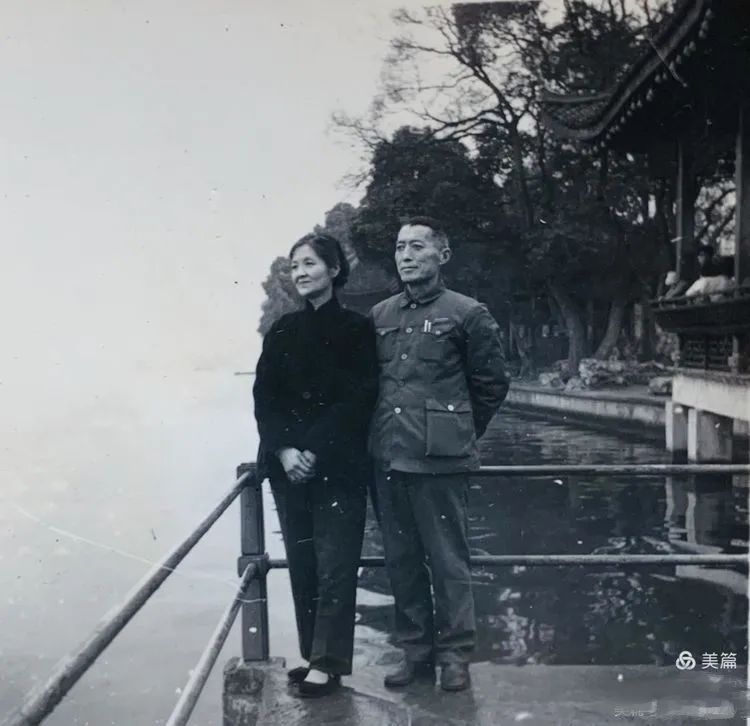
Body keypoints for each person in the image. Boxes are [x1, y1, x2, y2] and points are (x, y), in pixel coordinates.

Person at [368, 217, 509, 692]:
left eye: (417, 247)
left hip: (441, 463)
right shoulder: (380, 315)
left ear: (442, 256)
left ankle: (454, 656)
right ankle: (416, 653)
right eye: (400, 247)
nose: (406, 256)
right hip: (388, 457)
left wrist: (456, 433)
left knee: (449, 561)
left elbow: (491, 384)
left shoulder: (467, 313)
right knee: (401, 562)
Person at [252, 233, 377, 698]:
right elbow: (265, 397)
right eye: (294, 266)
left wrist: (314, 450)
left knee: (335, 566)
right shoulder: (282, 330)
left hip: (337, 466)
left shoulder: (357, 329)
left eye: (309, 263)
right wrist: (285, 451)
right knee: (303, 563)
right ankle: (313, 657)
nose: (300, 273)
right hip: (290, 470)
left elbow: (358, 398)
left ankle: (328, 663)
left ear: (335, 270)